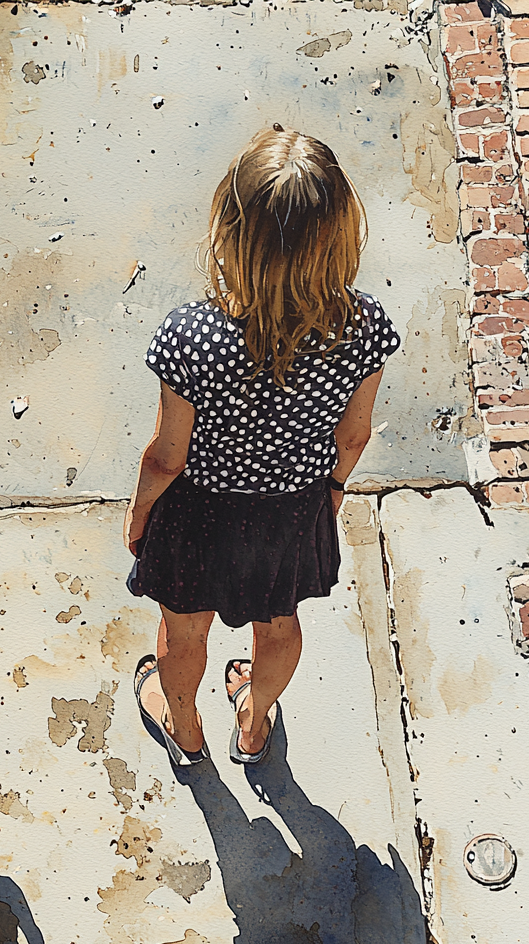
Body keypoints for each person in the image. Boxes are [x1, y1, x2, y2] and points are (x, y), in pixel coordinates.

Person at [124, 125, 400, 767]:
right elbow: (353, 435)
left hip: (197, 513)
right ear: (338, 234)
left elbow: (167, 454)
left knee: (183, 626)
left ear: (232, 228)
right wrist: (329, 495)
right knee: (279, 624)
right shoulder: (363, 328)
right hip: (292, 507)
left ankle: (184, 726)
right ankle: (253, 723)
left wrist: (140, 516)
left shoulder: (191, 336)